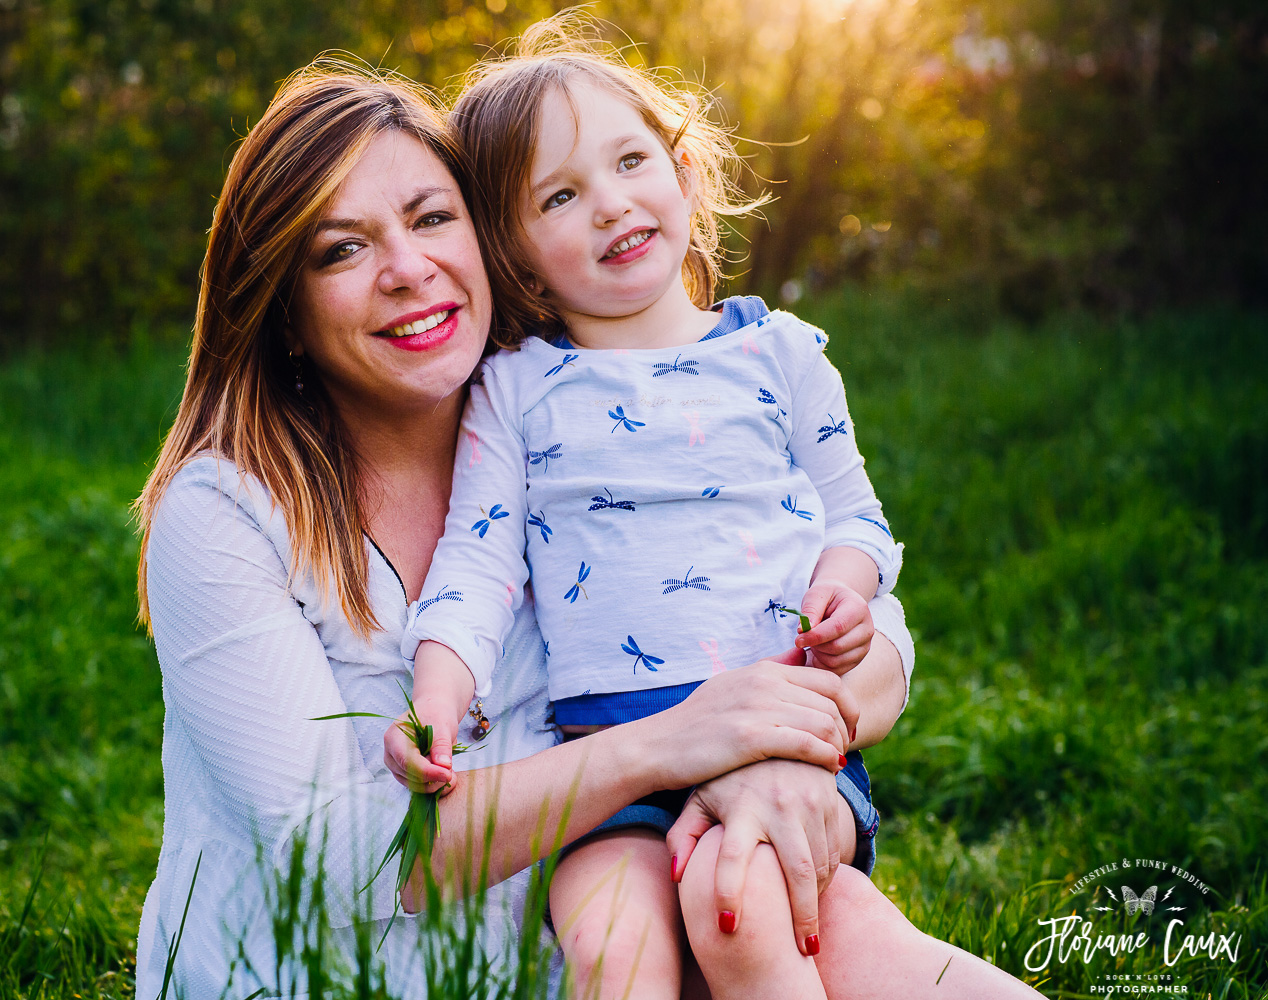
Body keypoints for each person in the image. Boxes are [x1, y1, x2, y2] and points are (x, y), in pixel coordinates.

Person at [131, 55, 1040, 1000]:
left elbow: (866, 621)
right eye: (342, 250)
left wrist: (786, 756)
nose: (408, 269)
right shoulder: (229, 511)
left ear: (485, 245)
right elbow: (337, 857)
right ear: (282, 303)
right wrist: (667, 746)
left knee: (833, 929)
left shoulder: (570, 429)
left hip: (582, 948)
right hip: (328, 980)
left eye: (433, 219)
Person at [392, 26, 900, 1000]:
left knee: (744, 902)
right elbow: (478, 563)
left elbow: (857, 518)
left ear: (683, 173)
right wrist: (438, 694)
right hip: (607, 770)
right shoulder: (519, 391)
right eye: (560, 196)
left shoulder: (782, 355)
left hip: (779, 739)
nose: (611, 203)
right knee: (612, 954)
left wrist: (845, 594)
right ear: (521, 259)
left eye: (630, 162)